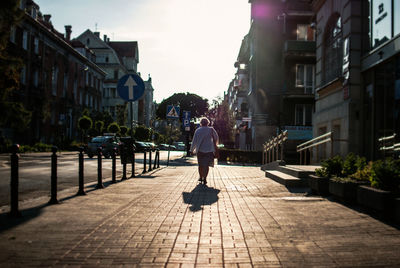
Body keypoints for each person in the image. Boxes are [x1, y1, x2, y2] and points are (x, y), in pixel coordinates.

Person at [190, 117, 219, 185]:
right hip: (209, 150)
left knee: (201, 165)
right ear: (208, 123)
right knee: (206, 165)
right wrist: (215, 145)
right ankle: (205, 178)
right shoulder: (211, 130)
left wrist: (192, 150)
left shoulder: (198, 130)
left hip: (200, 151)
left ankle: (200, 177)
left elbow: (194, 141)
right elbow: (216, 138)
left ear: (201, 123)